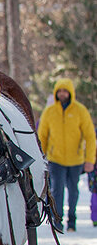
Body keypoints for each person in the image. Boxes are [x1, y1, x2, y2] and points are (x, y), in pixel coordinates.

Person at [38, 77, 96, 232]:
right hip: (55, 159)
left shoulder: (80, 110)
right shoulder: (50, 112)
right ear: (56, 93)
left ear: (70, 93)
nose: (62, 94)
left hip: (76, 159)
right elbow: (42, 136)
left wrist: (90, 160)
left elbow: (90, 136)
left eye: (65, 91)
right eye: (60, 91)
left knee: (73, 190)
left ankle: (72, 220)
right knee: (57, 190)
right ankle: (57, 221)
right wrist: (40, 158)